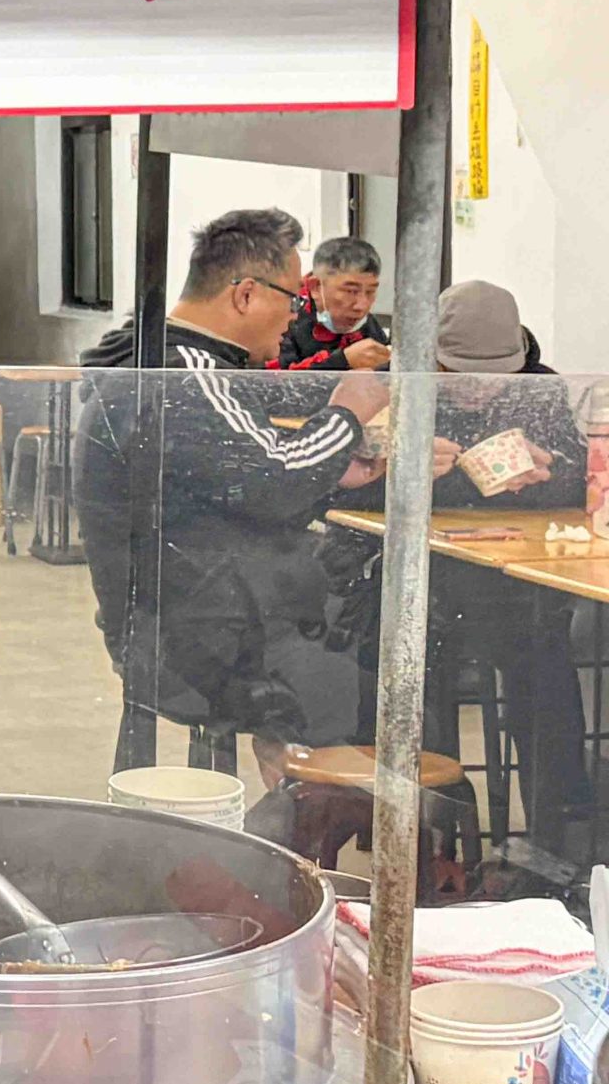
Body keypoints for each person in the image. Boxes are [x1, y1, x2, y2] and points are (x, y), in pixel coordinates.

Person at [73, 208, 389, 784]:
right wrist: (348, 411)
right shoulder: (190, 374)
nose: (297, 314)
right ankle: (315, 842)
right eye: (294, 298)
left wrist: (334, 472)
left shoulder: (147, 361)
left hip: (173, 619)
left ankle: (297, 814)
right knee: (386, 670)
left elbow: (234, 479)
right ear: (245, 294)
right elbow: (273, 480)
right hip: (209, 639)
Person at [414, 279, 594, 856]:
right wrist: (424, 467)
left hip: (510, 578)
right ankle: (434, 821)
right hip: (423, 577)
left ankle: (558, 821)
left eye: (493, 373)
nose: (478, 387)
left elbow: (580, 479)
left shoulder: (537, 390)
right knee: (416, 668)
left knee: (542, 654)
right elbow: (359, 486)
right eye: (460, 371)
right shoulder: (409, 385)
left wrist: (552, 468)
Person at [273, 235, 392, 373]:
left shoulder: (368, 324)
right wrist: (342, 361)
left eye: (370, 292)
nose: (362, 306)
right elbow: (276, 383)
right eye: (351, 291)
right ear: (316, 287)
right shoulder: (287, 320)